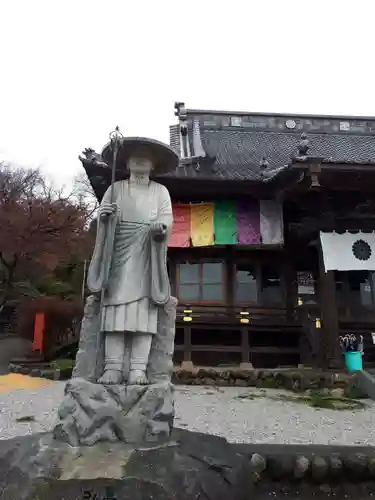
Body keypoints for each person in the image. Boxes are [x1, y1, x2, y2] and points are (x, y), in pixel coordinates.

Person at [87, 138, 178, 385]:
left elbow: (167, 220)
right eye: (135, 156)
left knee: (144, 313)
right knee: (114, 312)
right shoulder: (115, 189)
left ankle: (139, 367)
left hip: (147, 253)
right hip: (118, 253)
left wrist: (160, 228)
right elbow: (102, 219)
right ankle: (112, 367)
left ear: (153, 164)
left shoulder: (161, 192)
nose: (140, 160)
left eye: (145, 157)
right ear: (126, 162)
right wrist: (104, 218)